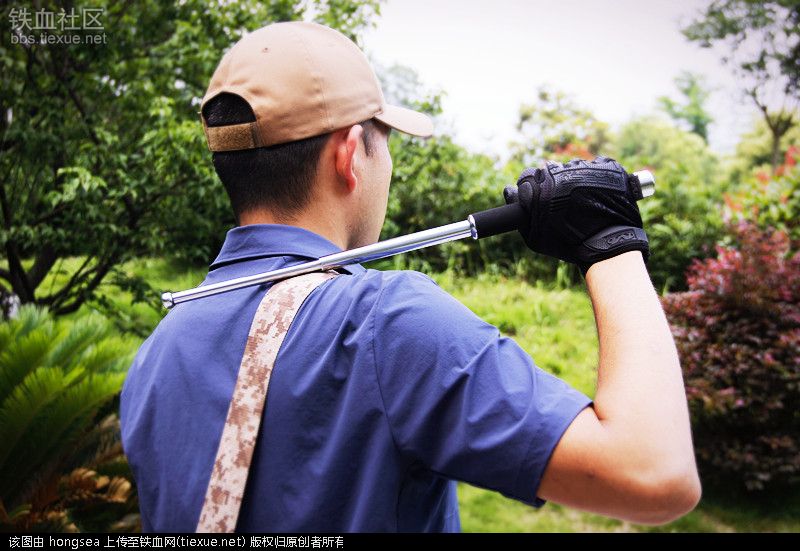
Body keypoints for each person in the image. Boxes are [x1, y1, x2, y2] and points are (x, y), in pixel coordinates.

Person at [119, 21, 701, 533]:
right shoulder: (387, 325)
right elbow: (654, 472)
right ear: (350, 155)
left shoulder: (154, 356)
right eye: (386, 141)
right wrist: (611, 243)